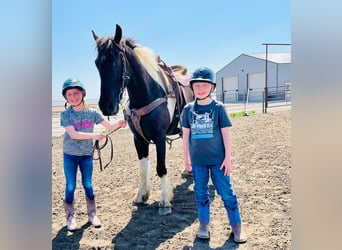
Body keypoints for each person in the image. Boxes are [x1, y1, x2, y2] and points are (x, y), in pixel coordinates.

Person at [181, 67, 247, 243]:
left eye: (204, 85)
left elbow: (226, 133)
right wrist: (185, 158)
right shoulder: (188, 109)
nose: (200, 89)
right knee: (201, 193)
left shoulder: (218, 108)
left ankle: (236, 226)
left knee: (227, 193)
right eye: (197, 86)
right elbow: (186, 135)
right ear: (192, 88)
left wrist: (228, 158)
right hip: (198, 162)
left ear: (212, 87)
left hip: (219, 161)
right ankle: (203, 224)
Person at [60, 78, 127, 231]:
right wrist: (94, 136)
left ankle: (92, 214)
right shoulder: (65, 114)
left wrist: (120, 123)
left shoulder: (93, 113)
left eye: (76, 93)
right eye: (69, 94)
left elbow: (109, 125)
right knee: (70, 186)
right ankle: (70, 218)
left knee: (88, 185)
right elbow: (74, 134)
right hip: (69, 155)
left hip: (86, 155)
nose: (72, 97)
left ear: (82, 94)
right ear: (65, 97)